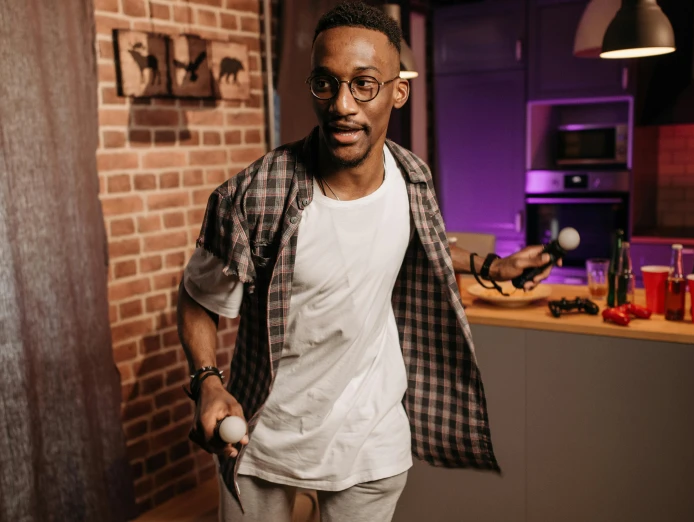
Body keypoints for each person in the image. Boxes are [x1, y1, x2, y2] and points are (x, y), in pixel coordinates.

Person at [176, 2, 556, 520]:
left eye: (364, 84)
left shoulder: (411, 176)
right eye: (326, 83)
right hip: (261, 442)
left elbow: (422, 240)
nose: (342, 105)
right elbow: (199, 300)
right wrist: (208, 383)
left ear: (398, 91)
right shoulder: (252, 196)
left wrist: (494, 267)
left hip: (370, 440)